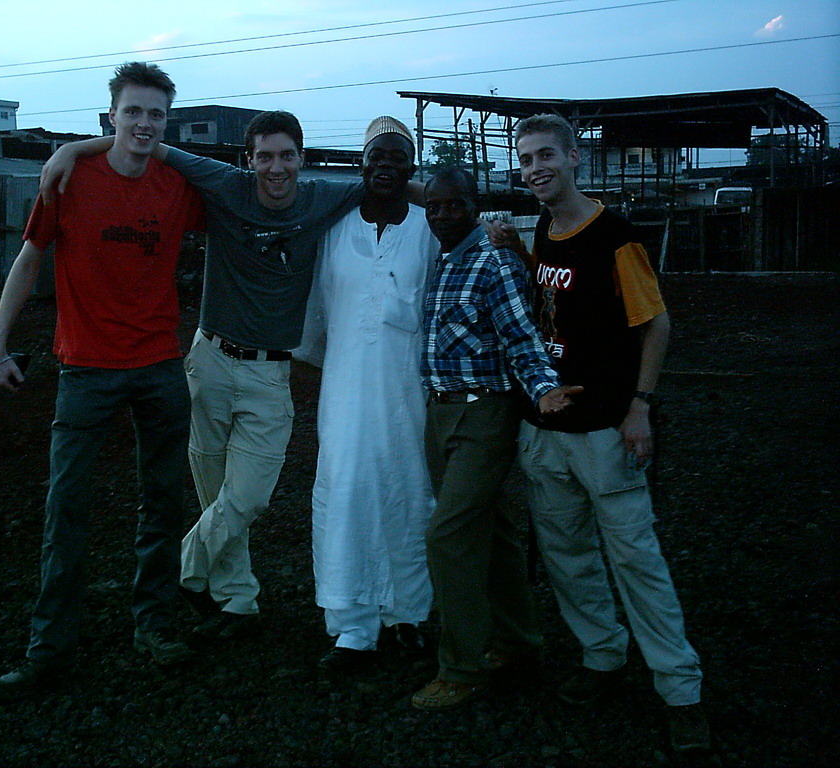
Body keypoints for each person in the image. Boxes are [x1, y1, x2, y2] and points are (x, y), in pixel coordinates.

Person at [41, 111, 366, 640]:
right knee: (216, 493)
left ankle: (183, 569)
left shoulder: (324, 196)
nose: (275, 167)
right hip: (209, 360)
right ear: (249, 159)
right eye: (264, 156)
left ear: (302, 158)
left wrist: (470, 212)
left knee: (249, 497)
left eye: (286, 155)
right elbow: (146, 144)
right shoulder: (224, 184)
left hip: (269, 372)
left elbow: (394, 187)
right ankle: (238, 600)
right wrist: (74, 150)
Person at [0, 62, 206, 701]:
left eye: (156, 114)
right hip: (86, 369)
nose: (143, 123)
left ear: (167, 123)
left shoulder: (175, 187)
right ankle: (48, 651)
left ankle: (155, 627)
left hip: (161, 367)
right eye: (132, 111)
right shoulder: (70, 179)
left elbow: (245, 204)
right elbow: (30, 259)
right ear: (111, 114)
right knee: (67, 508)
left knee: (162, 502)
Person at [506, 112, 709, 752]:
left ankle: (681, 689)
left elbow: (656, 325)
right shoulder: (545, 228)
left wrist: (640, 406)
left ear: (574, 158)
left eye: (546, 156)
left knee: (635, 558)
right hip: (546, 426)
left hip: (604, 430)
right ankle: (602, 655)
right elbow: (550, 304)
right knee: (567, 555)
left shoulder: (616, 238)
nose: (536, 168)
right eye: (526, 159)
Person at [411, 168, 580, 711]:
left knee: (448, 534)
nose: (441, 215)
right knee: (495, 530)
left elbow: (521, 336)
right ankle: (518, 643)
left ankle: (460, 667)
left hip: (485, 415)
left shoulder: (493, 261)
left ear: (474, 206)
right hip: (441, 415)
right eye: (433, 207)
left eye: (452, 206)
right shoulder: (443, 260)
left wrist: (544, 390)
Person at [294, 117, 435, 672]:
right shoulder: (335, 229)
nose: (386, 166)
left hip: (409, 396)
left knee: (410, 494)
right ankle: (351, 627)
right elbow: (316, 319)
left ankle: (410, 616)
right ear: (361, 164)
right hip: (347, 394)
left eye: (398, 157)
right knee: (346, 494)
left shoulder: (430, 227)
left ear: (411, 168)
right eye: (377, 156)